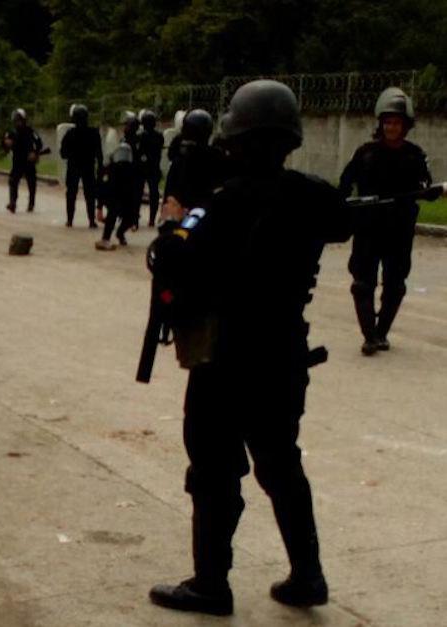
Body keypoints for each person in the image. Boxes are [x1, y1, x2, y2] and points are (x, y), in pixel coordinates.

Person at [147, 80, 352, 616]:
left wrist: (170, 227)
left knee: (214, 471)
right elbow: (341, 219)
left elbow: (172, 260)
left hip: (226, 360)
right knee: (281, 464)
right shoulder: (313, 197)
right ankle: (308, 574)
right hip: (283, 356)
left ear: (235, 138)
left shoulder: (219, 205)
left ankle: (210, 584)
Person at [340, 87, 432, 355]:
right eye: (388, 122)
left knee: (395, 284)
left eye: (397, 123)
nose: (391, 127)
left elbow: (425, 184)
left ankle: (381, 333)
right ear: (380, 124)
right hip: (368, 227)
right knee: (362, 283)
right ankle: (369, 336)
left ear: (405, 126)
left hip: (399, 229)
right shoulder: (366, 153)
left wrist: (427, 192)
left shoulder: (415, 155)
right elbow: (345, 184)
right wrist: (340, 204)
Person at [162, 109, 227, 220]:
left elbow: (170, 193)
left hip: (186, 214)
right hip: (205, 214)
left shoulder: (181, 159)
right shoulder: (217, 156)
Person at [59, 104, 102, 228]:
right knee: (90, 194)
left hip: (74, 166)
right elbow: (99, 153)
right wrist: (100, 166)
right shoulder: (94, 133)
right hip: (88, 166)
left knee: (71, 194)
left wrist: (72, 154)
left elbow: (63, 153)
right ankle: (91, 221)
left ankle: (70, 220)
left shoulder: (70, 133)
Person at [95, 142, 141, 249]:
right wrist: (100, 207)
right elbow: (103, 188)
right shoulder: (111, 169)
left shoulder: (133, 170)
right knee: (112, 214)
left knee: (130, 217)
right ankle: (105, 238)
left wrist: (135, 217)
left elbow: (136, 193)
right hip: (113, 198)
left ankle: (120, 233)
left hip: (127, 199)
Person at [3, 108, 45, 213]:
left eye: (19, 120)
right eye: (16, 120)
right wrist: (7, 143)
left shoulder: (30, 131)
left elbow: (39, 143)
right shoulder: (12, 132)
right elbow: (6, 144)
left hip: (29, 160)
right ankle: (12, 202)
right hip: (17, 160)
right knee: (13, 181)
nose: (18, 123)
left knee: (32, 182)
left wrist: (35, 152)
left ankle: (31, 203)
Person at [138, 109, 165, 226]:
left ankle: (135, 217)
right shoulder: (159, 136)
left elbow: (139, 152)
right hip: (154, 167)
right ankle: (152, 219)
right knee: (154, 193)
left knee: (138, 192)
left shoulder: (141, 136)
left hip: (143, 168)